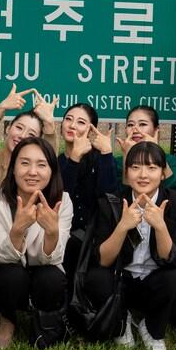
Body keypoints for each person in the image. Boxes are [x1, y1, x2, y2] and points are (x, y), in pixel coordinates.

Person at [79, 142, 176, 350]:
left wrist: (160, 226)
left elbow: (174, 260)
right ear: (126, 172)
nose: (143, 175)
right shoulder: (110, 202)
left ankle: (152, 328)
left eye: (151, 168)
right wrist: (122, 226)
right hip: (120, 279)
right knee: (95, 279)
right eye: (135, 167)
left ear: (162, 173)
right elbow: (102, 259)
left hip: (155, 279)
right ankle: (121, 321)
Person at [0, 137, 74, 349]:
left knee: (52, 278)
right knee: (13, 276)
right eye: (24, 163)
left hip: (41, 271)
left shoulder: (62, 202)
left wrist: (51, 233)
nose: (32, 172)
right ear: (13, 168)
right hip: (0, 274)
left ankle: (41, 321)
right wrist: (18, 229)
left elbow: (55, 258)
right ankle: (7, 319)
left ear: (52, 171)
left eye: (41, 165)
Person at [0, 86, 59, 267]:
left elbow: (49, 161)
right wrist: (0, 109)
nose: (21, 136)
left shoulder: (32, 171)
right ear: (8, 129)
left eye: (31, 134)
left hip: (27, 236)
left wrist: (49, 125)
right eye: (19, 128)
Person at [58, 102, 118, 277]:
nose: (72, 125)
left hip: (94, 239)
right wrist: (74, 159)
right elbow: (60, 200)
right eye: (68, 119)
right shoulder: (54, 162)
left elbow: (109, 197)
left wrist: (107, 153)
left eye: (81, 122)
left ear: (91, 130)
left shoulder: (101, 159)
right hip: (60, 235)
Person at [113, 105, 176, 187]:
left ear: (156, 130)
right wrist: (127, 156)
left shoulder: (172, 161)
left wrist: (157, 152)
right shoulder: (117, 163)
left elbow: (175, 187)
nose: (135, 129)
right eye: (130, 125)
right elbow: (124, 193)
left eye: (142, 124)